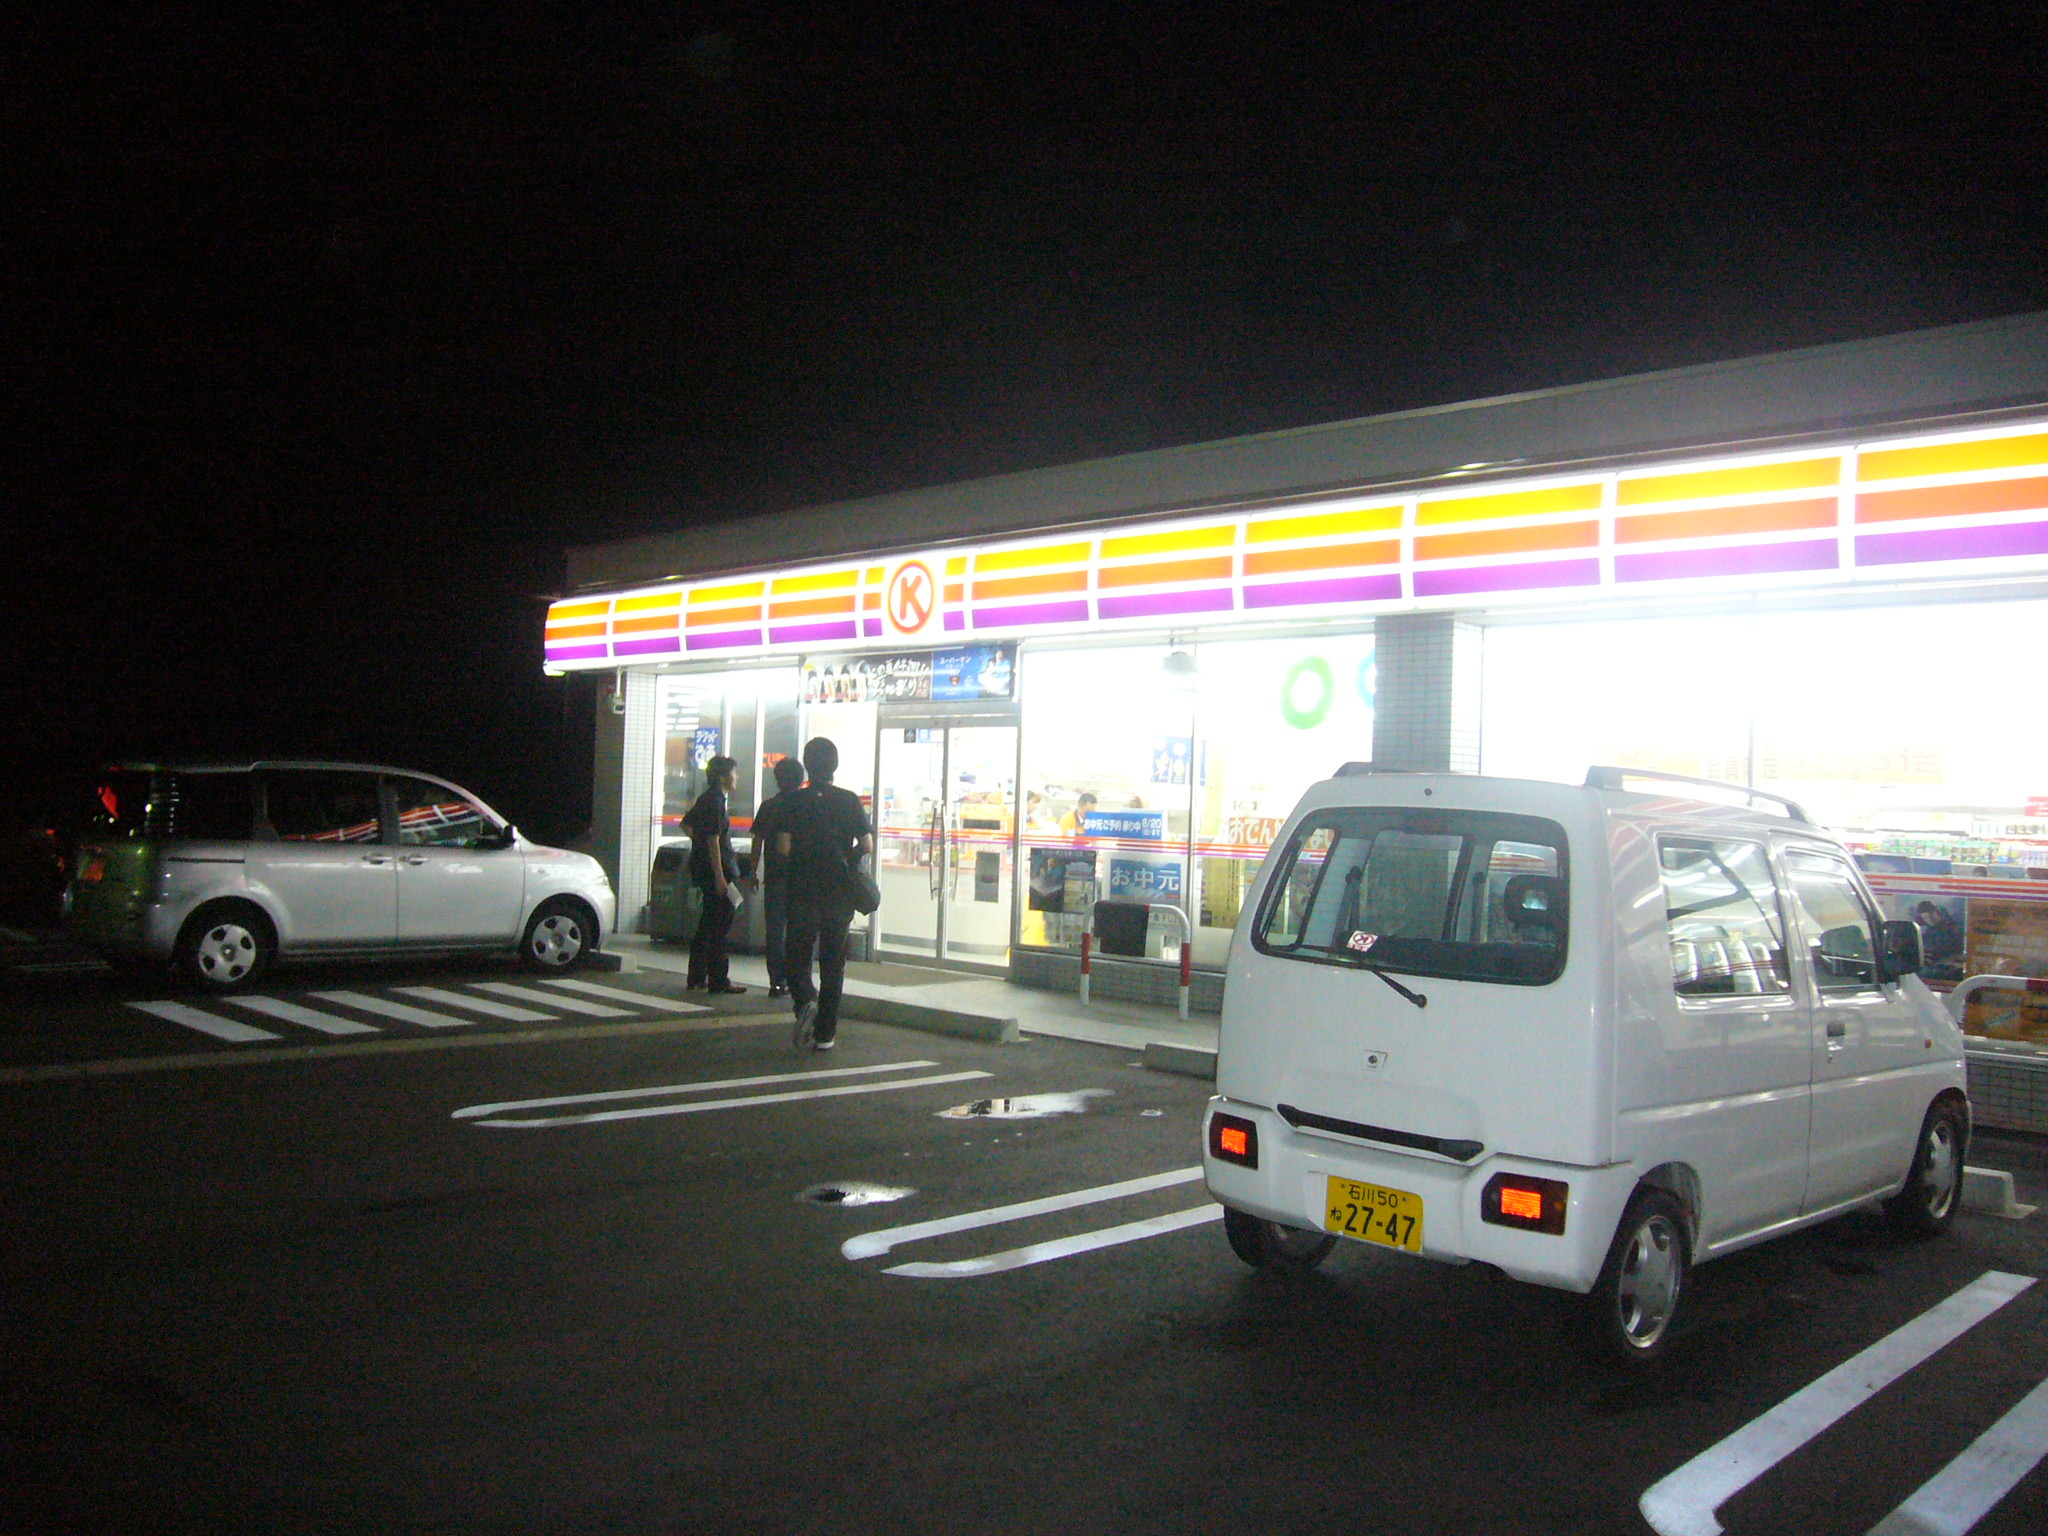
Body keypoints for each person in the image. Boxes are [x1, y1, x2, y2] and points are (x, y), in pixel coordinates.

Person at [778, 736, 873, 1051]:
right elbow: (867, 845)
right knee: (833, 965)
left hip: (802, 890)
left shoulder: (793, 801)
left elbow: (784, 847)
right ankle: (825, 1034)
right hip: (839, 893)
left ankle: (806, 999)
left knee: (797, 956)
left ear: (807, 765)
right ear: (835, 765)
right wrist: (845, 859)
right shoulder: (849, 800)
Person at [682, 755, 746, 994]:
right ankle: (718, 979)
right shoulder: (716, 802)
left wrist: (698, 843)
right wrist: (719, 876)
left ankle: (697, 976)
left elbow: (686, 824)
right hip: (717, 872)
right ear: (722, 776)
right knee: (720, 925)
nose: (736, 777)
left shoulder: (706, 798)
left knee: (708, 923)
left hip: (705, 869)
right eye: (733, 773)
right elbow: (713, 840)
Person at [746, 756, 807, 997]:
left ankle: (777, 981)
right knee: (800, 930)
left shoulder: (769, 806)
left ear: (777, 779)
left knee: (775, 931)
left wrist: (752, 871)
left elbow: (757, 841)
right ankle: (798, 978)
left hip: (775, 878)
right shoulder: (807, 806)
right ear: (801, 779)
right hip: (803, 879)